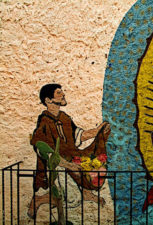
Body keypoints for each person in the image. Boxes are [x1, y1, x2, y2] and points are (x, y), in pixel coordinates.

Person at [28, 83, 111, 218]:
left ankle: (84, 191)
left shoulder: (64, 118)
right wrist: (69, 165)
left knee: (91, 162)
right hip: (56, 166)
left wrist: (97, 131)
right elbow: (46, 152)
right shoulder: (44, 122)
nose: (63, 95)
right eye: (59, 93)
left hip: (71, 158)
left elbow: (79, 135)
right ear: (48, 100)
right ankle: (41, 199)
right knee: (73, 201)